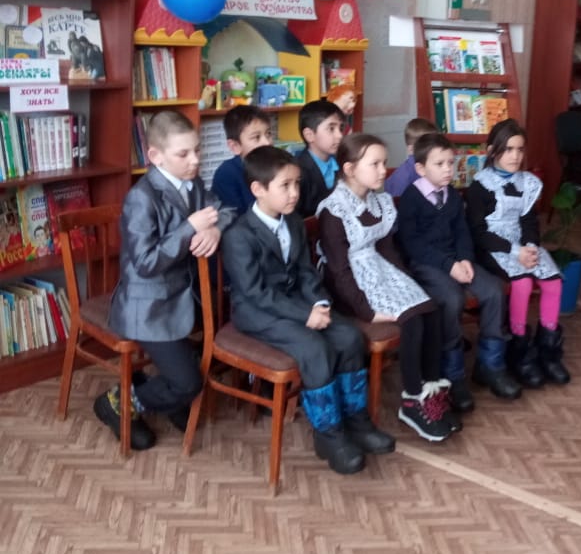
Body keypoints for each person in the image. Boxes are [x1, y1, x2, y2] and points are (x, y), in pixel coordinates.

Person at [222, 145, 395, 475]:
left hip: (297, 304)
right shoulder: (239, 235)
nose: (294, 193)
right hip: (257, 312)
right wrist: (305, 315)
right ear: (258, 189)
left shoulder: (293, 222)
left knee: (349, 337)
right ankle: (329, 435)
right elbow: (256, 293)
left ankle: (357, 422)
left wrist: (319, 302)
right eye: (285, 186)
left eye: (297, 184)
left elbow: (304, 271)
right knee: (314, 349)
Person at [103, 110, 233, 450]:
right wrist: (190, 227)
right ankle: (118, 403)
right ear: (155, 156)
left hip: (184, 296)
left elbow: (226, 210)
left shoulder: (193, 183)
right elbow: (146, 263)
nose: (195, 160)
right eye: (183, 154)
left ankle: (162, 392)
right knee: (189, 384)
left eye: (197, 150)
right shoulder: (141, 198)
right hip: (148, 307)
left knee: (218, 344)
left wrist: (215, 229)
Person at [317, 132, 455, 442]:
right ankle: (412, 399)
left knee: (431, 309)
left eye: (384, 163)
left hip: (378, 270)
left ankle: (432, 389)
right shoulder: (334, 209)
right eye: (375, 164)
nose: (384, 171)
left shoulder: (378, 200)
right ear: (350, 169)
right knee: (412, 319)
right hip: (348, 285)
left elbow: (387, 248)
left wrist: (409, 285)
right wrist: (366, 311)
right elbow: (338, 270)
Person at [396, 132, 519, 407]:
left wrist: (464, 259)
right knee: (451, 299)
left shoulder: (451, 195)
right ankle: (453, 375)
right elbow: (413, 245)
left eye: (450, 163)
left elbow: (462, 231)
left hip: (457, 260)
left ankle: (490, 365)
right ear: (420, 169)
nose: (447, 169)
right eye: (439, 164)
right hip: (427, 265)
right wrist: (448, 265)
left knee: (493, 291)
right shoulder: (411, 199)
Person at [465, 119, 569, 387]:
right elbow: (479, 232)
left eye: (520, 149)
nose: (515, 156)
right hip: (493, 247)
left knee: (553, 283)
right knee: (522, 284)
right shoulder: (480, 186)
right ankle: (520, 354)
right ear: (492, 151)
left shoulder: (528, 183)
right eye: (508, 149)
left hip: (522, 243)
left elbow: (529, 221)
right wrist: (515, 252)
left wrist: (531, 246)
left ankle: (548, 353)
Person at [211, 104, 273, 215]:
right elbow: (234, 218)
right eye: (256, 137)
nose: (267, 142)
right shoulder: (226, 174)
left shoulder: (277, 166)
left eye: (268, 134)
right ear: (235, 146)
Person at [296, 98, 344, 217]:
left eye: (341, 128)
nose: (339, 135)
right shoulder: (297, 172)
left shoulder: (344, 163)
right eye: (331, 129)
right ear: (309, 135)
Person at [385, 117, 438, 199]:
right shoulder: (403, 177)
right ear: (411, 149)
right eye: (427, 146)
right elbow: (397, 204)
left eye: (435, 144)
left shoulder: (431, 165)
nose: (435, 149)